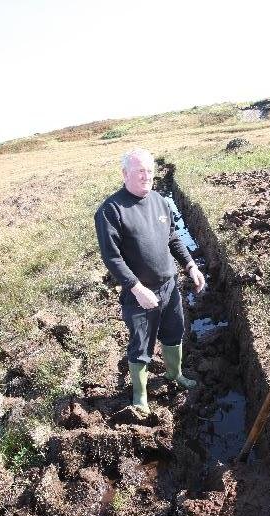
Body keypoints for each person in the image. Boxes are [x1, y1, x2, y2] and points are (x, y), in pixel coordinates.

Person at [94, 148, 205, 415]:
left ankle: (174, 374)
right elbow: (112, 257)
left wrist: (190, 266)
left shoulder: (160, 201)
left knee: (174, 332)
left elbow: (173, 238)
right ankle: (140, 395)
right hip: (139, 293)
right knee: (141, 345)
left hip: (169, 286)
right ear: (125, 174)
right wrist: (136, 287)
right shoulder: (111, 210)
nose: (146, 176)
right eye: (139, 171)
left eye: (150, 171)